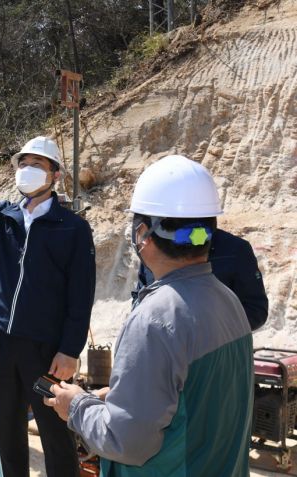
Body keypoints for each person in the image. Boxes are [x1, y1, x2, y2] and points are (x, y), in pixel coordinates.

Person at [47, 155, 253, 477]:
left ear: (142, 234)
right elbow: (195, 398)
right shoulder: (229, 301)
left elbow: (125, 441)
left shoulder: (154, 320)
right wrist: (123, 393)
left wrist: (75, 406)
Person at [0, 121, 96, 477]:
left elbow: (81, 295)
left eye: (38, 165)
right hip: (2, 339)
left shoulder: (72, 228)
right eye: (23, 163)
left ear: (56, 175)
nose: (27, 170)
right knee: (9, 426)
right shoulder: (5, 217)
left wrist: (70, 349)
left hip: (45, 347)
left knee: (53, 428)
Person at [134, 227, 268, 330]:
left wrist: (206, 331)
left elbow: (256, 311)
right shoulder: (154, 247)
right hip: (161, 353)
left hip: (217, 358)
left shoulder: (234, 250)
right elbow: (139, 297)